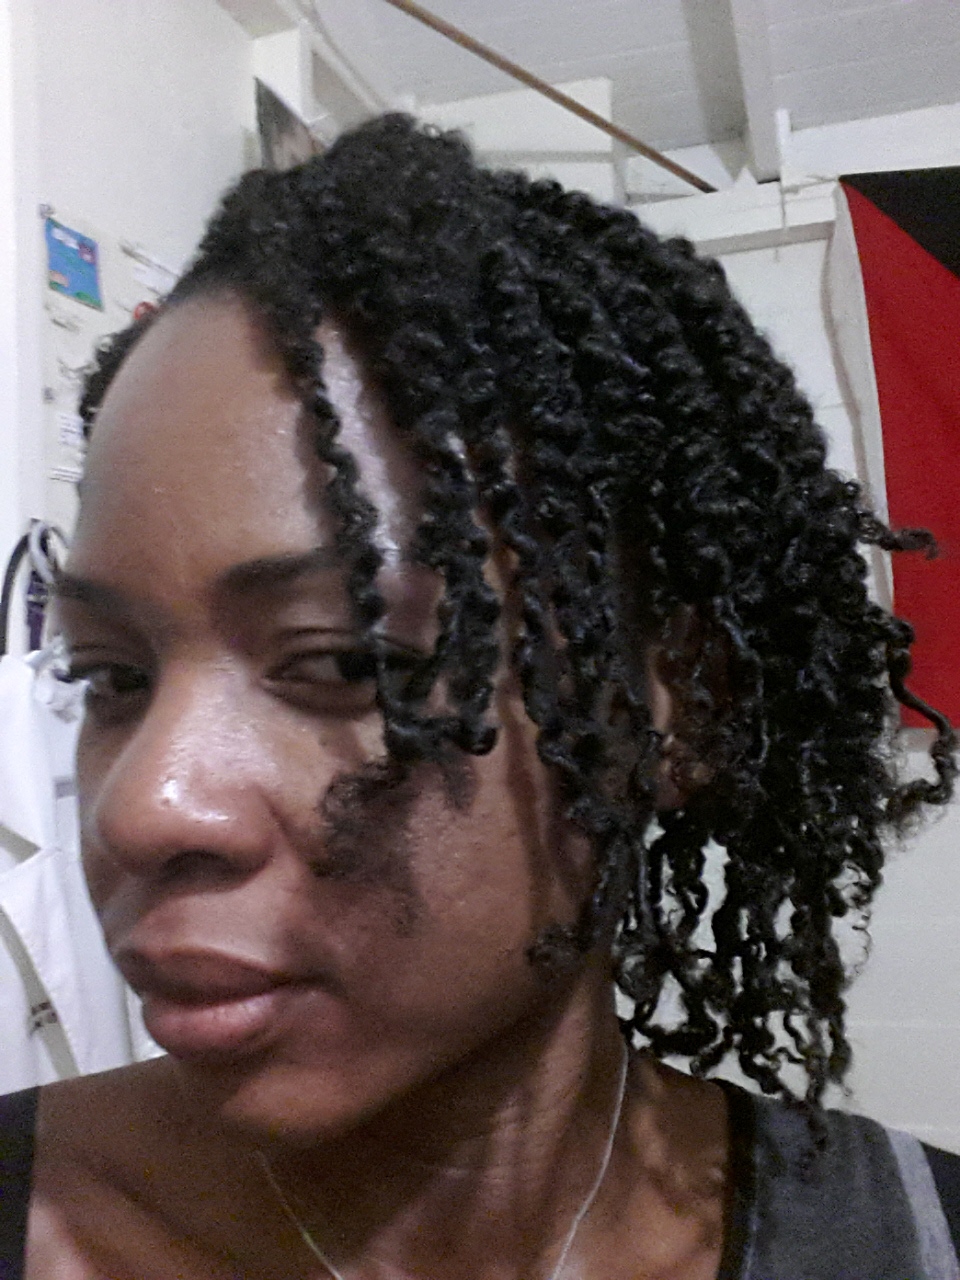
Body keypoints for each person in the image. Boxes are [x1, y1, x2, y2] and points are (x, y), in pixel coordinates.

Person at [2, 113, 958, 1279]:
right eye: (112, 676)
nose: (140, 808)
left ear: (681, 706)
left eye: (344, 661)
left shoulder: (914, 1241)